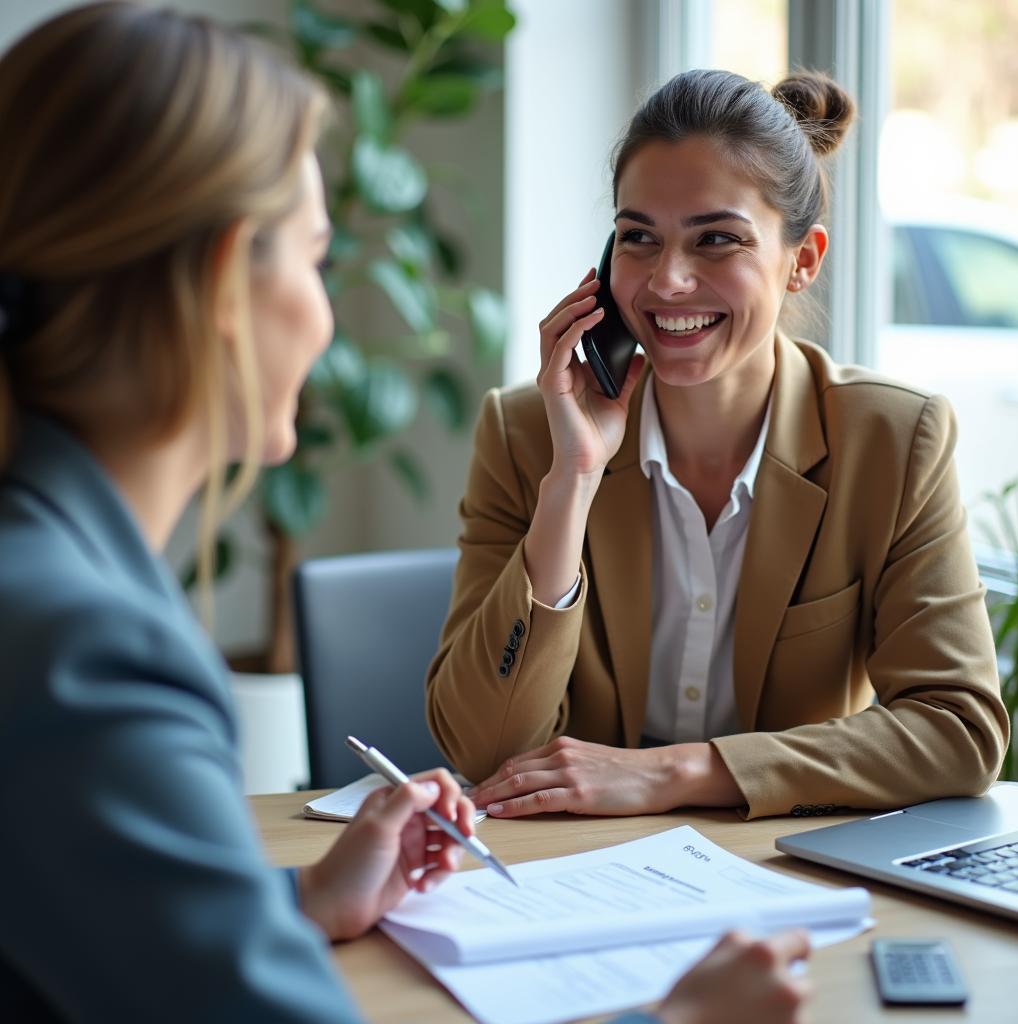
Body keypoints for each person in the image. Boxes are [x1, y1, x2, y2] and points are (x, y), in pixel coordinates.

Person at [0, 5, 812, 1022]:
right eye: (318, 258)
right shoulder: (90, 656)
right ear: (222, 287)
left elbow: (81, 917)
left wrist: (291, 900)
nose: (328, 310)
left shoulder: (47, 581)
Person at [425, 68, 1009, 822]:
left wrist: (676, 773)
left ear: (802, 260)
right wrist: (572, 480)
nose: (667, 281)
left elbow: (958, 729)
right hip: (574, 873)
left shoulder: (893, 440)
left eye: (717, 240)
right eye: (639, 237)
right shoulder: (528, 433)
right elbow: (484, 749)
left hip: (789, 874)